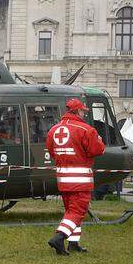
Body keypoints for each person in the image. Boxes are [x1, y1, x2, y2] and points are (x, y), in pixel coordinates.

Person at [45, 98, 105, 255]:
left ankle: (73, 242)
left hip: (63, 178)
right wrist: (99, 141)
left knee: (70, 210)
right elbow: (96, 150)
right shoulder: (86, 130)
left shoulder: (53, 130)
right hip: (80, 179)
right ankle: (59, 238)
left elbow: (52, 152)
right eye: (83, 111)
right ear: (77, 111)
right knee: (78, 211)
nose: (84, 114)